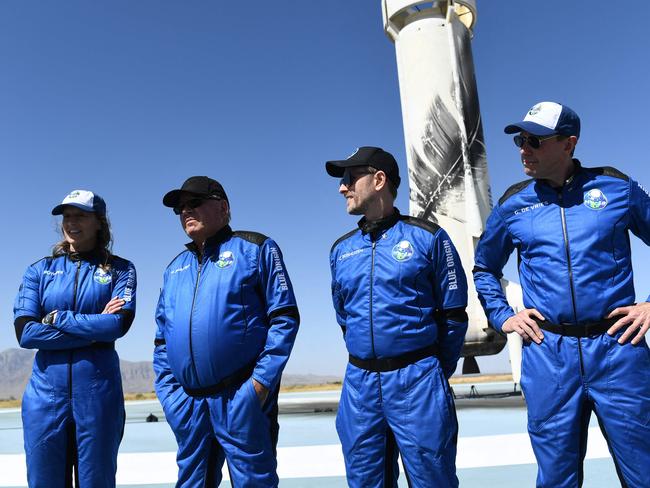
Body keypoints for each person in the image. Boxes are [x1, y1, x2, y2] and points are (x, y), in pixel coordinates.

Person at [473, 101, 650, 487]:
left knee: (644, 470)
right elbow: (484, 268)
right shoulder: (512, 205)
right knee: (556, 479)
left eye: (534, 141)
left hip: (617, 347)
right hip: (549, 354)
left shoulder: (617, 189)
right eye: (520, 140)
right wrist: (504, 316)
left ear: (569, 144)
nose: (523, 149)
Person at [326, 147, 468, 488]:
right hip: (359, 385)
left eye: (348, 178)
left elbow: (453, 314)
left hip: (417, 381)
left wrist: (430, 370)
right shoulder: (341, 250)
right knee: (364, 481)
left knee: (433, 479)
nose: (341, 188)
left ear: (378, 180)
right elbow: (343, 316)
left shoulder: (429, 238)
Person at [153, 176, 300, 487]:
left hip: (240, 397)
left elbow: (285, 318)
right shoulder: (174, 268)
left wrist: (259, 386)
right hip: (188, 405)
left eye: (194, 203)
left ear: (223, 207)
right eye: (180, 207)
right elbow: (161, 339)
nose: (185, 211)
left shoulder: (256, 248)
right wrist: (169, 395)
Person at [13, 189, 137, 487]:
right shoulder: (39, 271)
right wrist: (94, 332)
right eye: (67, 216)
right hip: (44, 398)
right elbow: (26, 333)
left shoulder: (122, 269)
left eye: (80, 215)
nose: (71, 222)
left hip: (98, 395)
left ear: (99, 222)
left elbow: (116, 326)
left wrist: (57, 318)